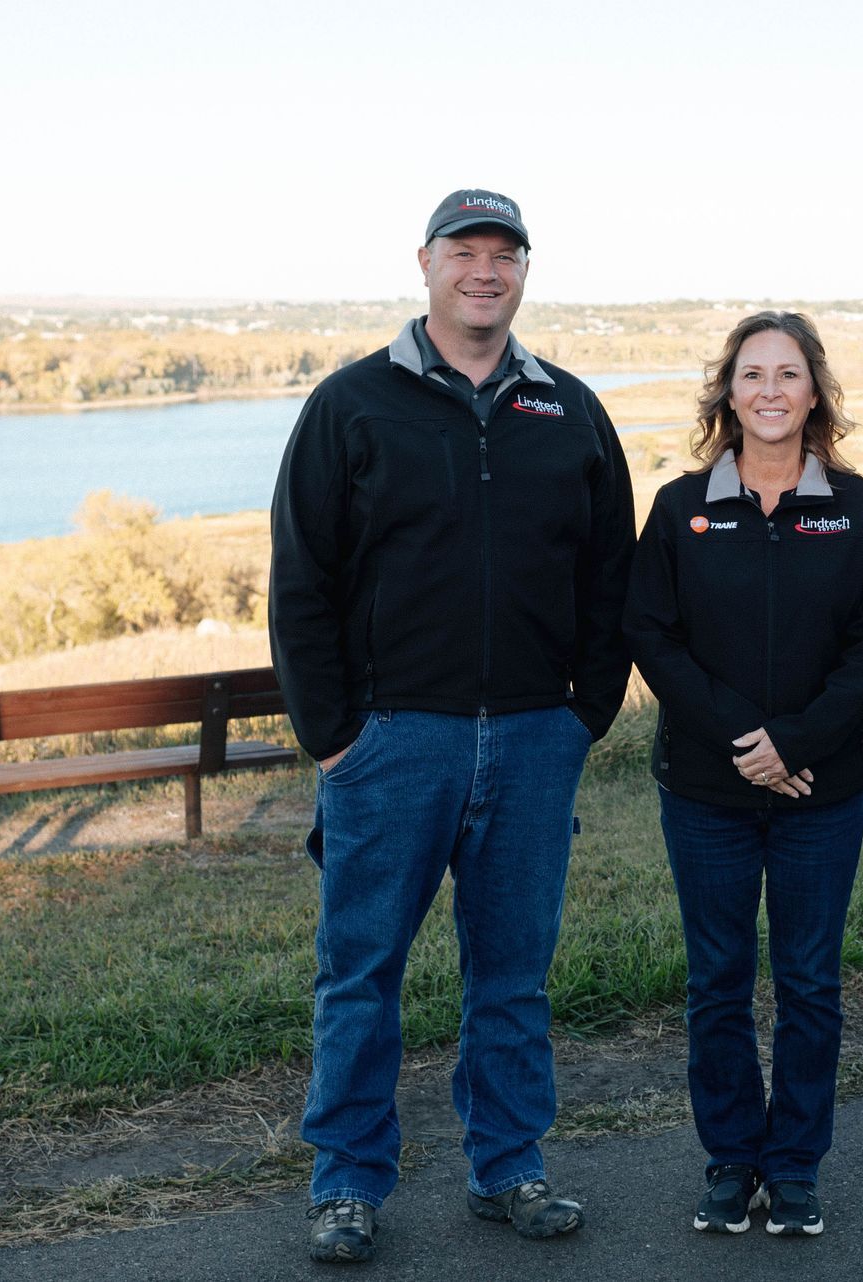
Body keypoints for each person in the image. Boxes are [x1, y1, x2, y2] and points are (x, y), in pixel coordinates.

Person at [268, 188, 635, 1264]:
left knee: (512, 973)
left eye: (504, 254)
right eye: (464, 252)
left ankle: (509, 1164)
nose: (485, 270)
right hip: (392, 747)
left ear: (526, 271)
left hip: (533, 741)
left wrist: (584, 715)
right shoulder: (353, 405)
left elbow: (611, 574)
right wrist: (337, 736)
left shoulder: (568, 409)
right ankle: (345, 1181)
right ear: (424, 263)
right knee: (360, 971)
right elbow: (303, 581)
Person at [623, 311, 863, 1239]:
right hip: (706, 790)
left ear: (814, 392)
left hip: (822, 790)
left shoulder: (858, 509)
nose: (772, 390)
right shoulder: (679, 508)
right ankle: (730, 1161)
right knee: (717, 982)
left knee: (811, 984)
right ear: (729, 392)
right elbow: (652, 637)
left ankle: (792, 1169)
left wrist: (797, 743)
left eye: (790, 374)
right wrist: (751, 741)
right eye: (753, 374)